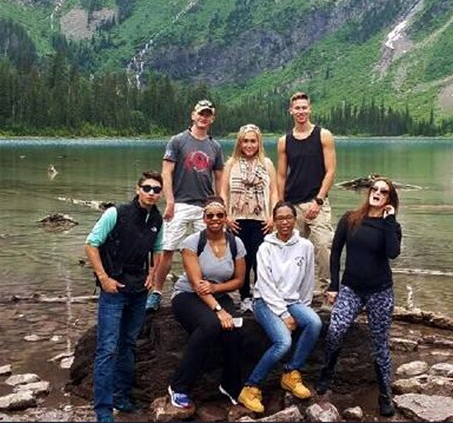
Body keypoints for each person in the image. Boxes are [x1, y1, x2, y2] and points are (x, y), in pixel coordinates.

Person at [316, 177, 402, 417]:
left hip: (380, 291)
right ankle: (326, 373)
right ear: (368, 192)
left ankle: (385, 394)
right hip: (351, 289)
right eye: (374, 189)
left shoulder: (391, 226)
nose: (377, 193)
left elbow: (393, 253)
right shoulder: (350, 218)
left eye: (383, 192)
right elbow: (335, 253)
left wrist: (389, 219)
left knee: (380, 345)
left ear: (389, 199)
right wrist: (333, 285)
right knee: (335, 330)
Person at [84, 171, 165, 422]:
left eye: (156, 190)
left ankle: (121, 396)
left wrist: (153, 273)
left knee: (128, 344)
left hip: (138, 290)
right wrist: (104, 278)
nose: (151, 193)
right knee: (107, 348)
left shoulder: (157, 219)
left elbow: (159, 249)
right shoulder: (116, 214)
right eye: (147, 188)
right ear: (137, 189)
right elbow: (91, 243)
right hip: (114, 289)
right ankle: (103, 410)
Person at [237, 202, 321, 414]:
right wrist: (284, 314)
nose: (284, 222)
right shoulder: (265, 248)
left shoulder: (305, 246)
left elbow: (307, 280)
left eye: (288, 218)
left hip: (293, 301)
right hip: (264, 301)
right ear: (273, 222)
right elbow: (264, 284)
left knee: (314, 322)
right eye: (280, 218)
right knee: (283, 342)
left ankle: (291, 373)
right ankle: (250, 387)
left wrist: (303, 308)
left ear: (295, 220)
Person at [167, 197, 247, 410]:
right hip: (187, 296)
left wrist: (215, 289)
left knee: (235, 329)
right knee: (211, 325)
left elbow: (239, 281)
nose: (215, 219)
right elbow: (196, 284)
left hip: (218, 294)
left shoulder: (235, 243)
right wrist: (218, 310)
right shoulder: (192, 242)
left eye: (219, 215)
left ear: (226, 218)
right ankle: (179, 386)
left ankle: (230, 386)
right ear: (203, 218)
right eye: (210, 215)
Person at [147, 99, 225, 312]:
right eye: (201, 113)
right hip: (180, 204)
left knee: (206, 252)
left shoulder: (215, 146)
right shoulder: (178, 141)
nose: (203, 117)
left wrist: (219, 201)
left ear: (212, 118)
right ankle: (156, 292)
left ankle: (199, 289)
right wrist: (169, 201)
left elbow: (219, 177)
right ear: (193, 115)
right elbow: (166, 172)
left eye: (208, 114)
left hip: (205, 206)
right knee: (168, 249)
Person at [276, 91, 337, 291]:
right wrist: (281, 204)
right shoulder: (284, 141)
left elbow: (330, 171)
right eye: (297, 108)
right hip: (293, 204)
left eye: (304, 107)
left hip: (316, 201)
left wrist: (318, 201)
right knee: (293, 249)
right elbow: (282, 175)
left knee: (323, 246)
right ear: (291, 111)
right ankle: (296, 289)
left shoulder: (323, 135)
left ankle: (326, 290)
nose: (301, 111)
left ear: (309, 109)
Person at [221, 123, 278, 312]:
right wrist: (226, 216)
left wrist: (273, 216)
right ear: (239, 142)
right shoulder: (231, 163)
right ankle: (245, 296)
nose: (249, 145)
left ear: (259, 142)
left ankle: (261, 295)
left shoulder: (267, 164)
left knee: (260, 259)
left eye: (253, 141)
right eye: (245, 141)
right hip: (237, 220)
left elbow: (274, 192)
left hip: (261, 219)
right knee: (242, 260)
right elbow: (223, 192)